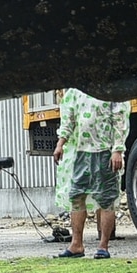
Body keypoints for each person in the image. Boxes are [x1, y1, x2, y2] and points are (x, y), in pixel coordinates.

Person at [51, 88, 129, 259]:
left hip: (104, 152)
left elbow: (120, 120)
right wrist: (60, 143)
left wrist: (117, 150)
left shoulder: (111, 91)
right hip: (81, 153)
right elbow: (69, 120)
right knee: (77, 196)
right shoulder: (75, 92)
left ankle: (103, 246)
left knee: (106, 198)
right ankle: (76, 244)